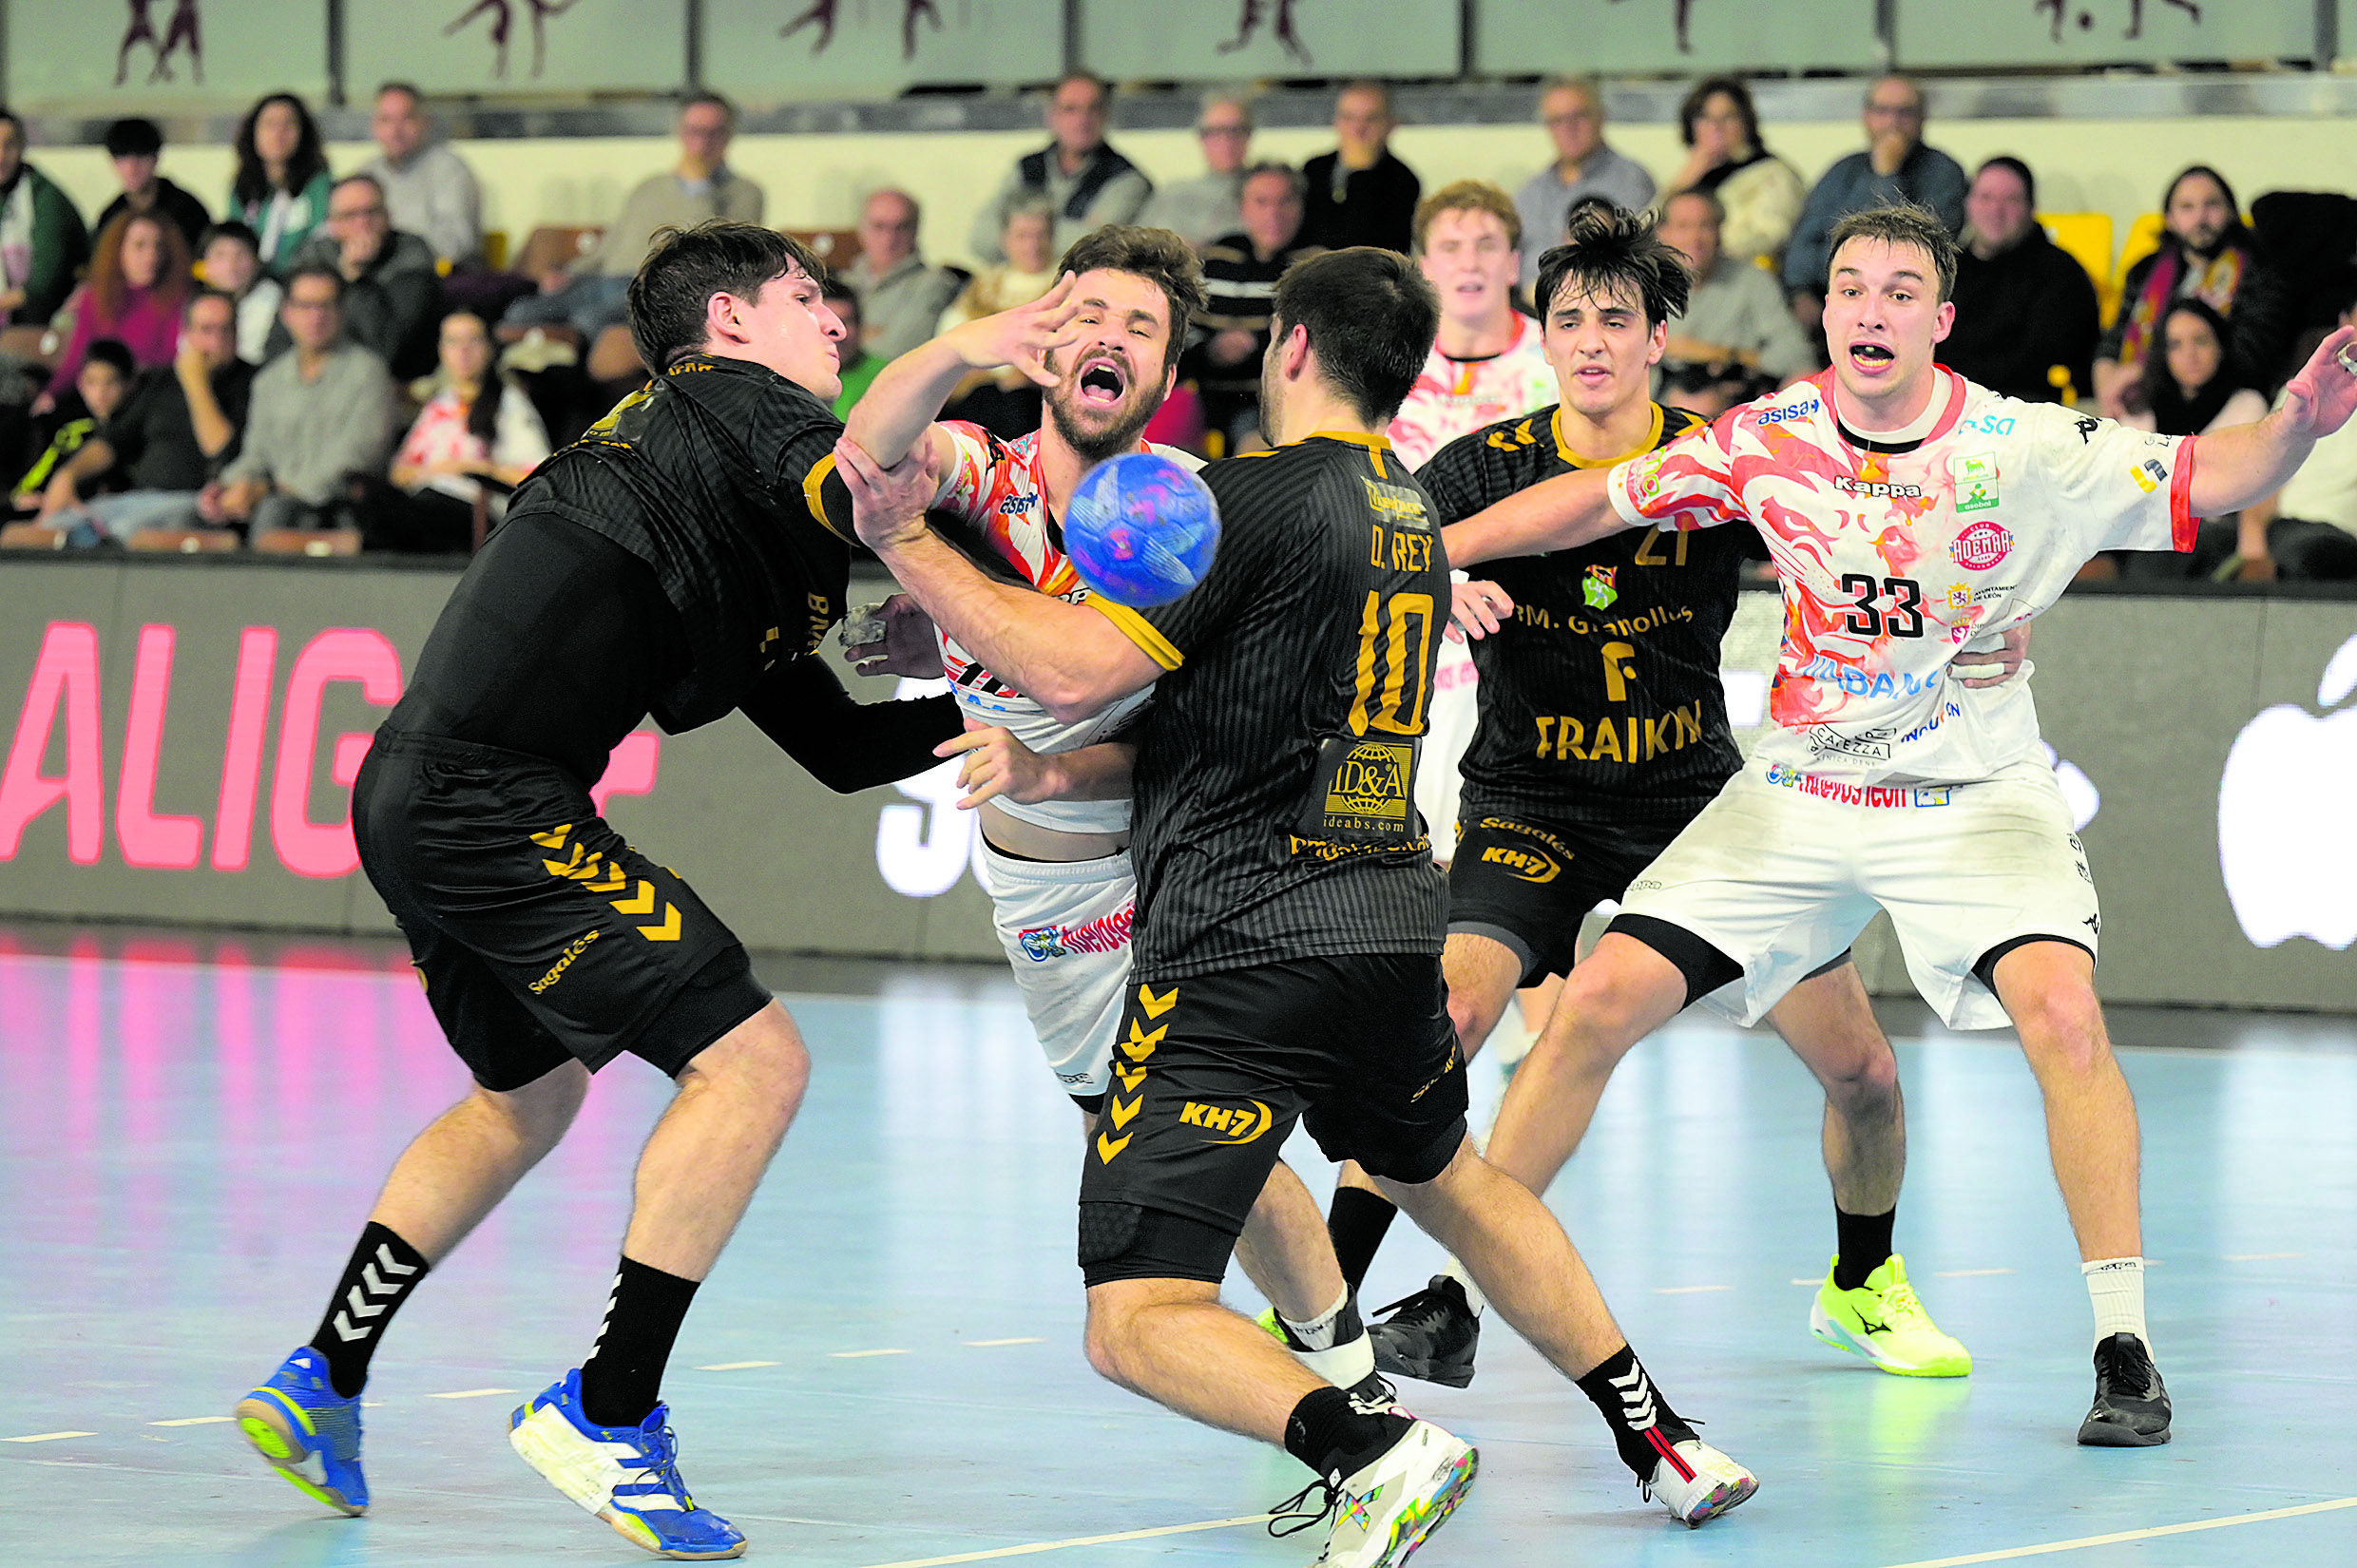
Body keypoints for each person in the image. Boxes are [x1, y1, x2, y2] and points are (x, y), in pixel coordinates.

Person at [840, 246, 1760, 1559]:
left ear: (1285, 350)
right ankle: (1660, 1436)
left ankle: (1371, 1446)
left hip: (1237, 937)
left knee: (1134, 1316)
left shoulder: (1243, 497)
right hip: (1390, 913)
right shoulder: (1404, 502)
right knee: (1449, 1174)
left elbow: (1065, 663)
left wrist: (904, 546)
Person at [1435, 200, 2357, 1447]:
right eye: (1851, 287)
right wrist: (1436, 547)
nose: (1870, 308)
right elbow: (1592, 502)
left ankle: (2124, 1346)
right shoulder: (1768, 437)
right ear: (1830, 311)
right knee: (1597, 999)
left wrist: (2299, 417)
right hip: (1801, 792)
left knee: (2066, 1014)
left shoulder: (2024, 444)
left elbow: (2214, 471)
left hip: (1974, 798)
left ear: (1941, 319)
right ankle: (1452, 1295)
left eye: (1898, 290)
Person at [233, 221, 966, 1558]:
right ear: (731, 323)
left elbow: (851, 749)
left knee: (530, 1096)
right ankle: (608, 1408)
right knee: (756, 1065)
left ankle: (323, 1374)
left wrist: (1008, 701)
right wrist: (983, 382)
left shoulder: (714, 497)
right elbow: (870, 481)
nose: (839, 322)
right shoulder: (720, 402)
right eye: (810, 299)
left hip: (413, 794)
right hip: (485, 796)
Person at [1340, 204, 1983, 1397]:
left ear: (1655, 339)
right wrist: (1442, 582)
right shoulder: (1482, 467)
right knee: (1445, 1023)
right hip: (1528, 800)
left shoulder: (1719, 460)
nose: (1590, 341)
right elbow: (1368, 554)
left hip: (1695, 808)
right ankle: (1343, 1297)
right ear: (1543, 337)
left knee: (1866, 1077)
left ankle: (1862, 1285)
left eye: (1615, 320)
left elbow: (1868, 533)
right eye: (1569, 320)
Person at [843, 226, 1399, 1410]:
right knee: (1212, 1153)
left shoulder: (1190, 511)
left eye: (1141, 329)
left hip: (1176, 869)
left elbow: (1195, 732)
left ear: (1164, 379)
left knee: (1206, 1138)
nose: (1109, 339)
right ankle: (1351, 1381)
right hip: (1041, 897)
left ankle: (1349, 1397)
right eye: (1084, 314)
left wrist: (1049, 773)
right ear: (1046, 346)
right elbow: (872, 446)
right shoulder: (981, 475)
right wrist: (965, 341)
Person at [505, 94, 764, 344]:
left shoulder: (744, 192)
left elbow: (717, 255)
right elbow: (608, 248)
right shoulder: (649, 187)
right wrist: (570, 273)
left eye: (712, 133)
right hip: (601, 281)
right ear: (679, 133)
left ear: (728, 136)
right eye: (693, 131)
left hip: (654, 290)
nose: (702, 142)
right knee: (521, 313)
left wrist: (698, 186)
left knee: (589, 321)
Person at [29, 290, 253, 545]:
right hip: (135, 499)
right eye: (207, 330)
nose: (217, 342)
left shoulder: (251, 383)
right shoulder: (162, 382)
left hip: (198, 502)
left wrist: (195, 382)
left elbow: (222, 450)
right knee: (51, 531)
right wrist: (68, 475)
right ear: (187, 333)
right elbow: (112, 441)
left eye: (226, 331)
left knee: (120, 535)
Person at [201, 264, 396, 537]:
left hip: (335, 507)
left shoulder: (369, 373)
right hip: (268, 498)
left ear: (341, 310)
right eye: (305, 306)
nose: (316, 317)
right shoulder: (269, 380)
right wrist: (226, 486)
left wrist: (271, 489)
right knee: (197, 515)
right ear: (286, 312)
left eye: (325, 305)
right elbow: (256, 454)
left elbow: (358, 456)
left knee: (274, 514)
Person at [2094, 166, 2291, 419]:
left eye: (2212, 205)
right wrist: (2108, 384)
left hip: (2230, 405)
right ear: (2169, 218)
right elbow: (2114, 341)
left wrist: (2147, 369)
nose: (2200, 218)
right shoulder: (2145, 271)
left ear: (2231, 212)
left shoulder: (2261, 271)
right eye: (2187, 207)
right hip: (2148, 401)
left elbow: (2251, 356)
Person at [1389, 181, 1555, 473]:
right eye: (1450, 248)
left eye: (1487, 246)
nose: (1469, 263)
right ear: (1424, 268)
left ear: (1513, 264)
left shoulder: (1561, 357)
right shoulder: (1388, 364)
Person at [366, 310, 552, 551]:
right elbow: (399, 472)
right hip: (427, 499)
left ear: (489, 348)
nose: (463, 351)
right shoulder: (440, 405)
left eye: (473, 341)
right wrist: (438, 469)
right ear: (441, 351)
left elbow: (541, 477)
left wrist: (479, 468)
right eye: (453, 342)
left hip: (476, 510)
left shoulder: (510, 404)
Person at [1782, 77, 1966, 302]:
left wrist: (1886, 174)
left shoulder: (1944, 173)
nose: (1892, 122)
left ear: (1922, 118)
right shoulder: (1843, 169)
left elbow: (1906, 253)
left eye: (1904, 112)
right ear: (1866, 117)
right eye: (1882, 111)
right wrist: (1802, 292)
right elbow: (1802, 245)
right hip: (1827, 296)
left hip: (1902, 300)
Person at [1942, 157, 2099, 405]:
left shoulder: (2061, 275)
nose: (1996, 210)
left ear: (2031, 207)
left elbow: (2037, 361)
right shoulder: (1948, 268)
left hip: (2028, 411)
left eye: (2011, 200)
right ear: (1968, 204)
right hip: (1948, 401)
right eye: (1985, 198)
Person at [1186, 164, 1320, 450]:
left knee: (1255, 449)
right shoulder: (1213, 259)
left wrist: (1253, 346)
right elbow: (1182, 328)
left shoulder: (1315, 266)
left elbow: (1316, 342)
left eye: (1285, 201)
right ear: (1242, 208)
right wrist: (1209, 351)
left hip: (1267, 404)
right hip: (1196, 395)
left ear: (1301, 207)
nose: (1273, 214)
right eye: (1261, 202)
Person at [2227, 291, 2357, 581]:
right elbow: (2264, 476)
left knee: (2312, 554)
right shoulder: (2303, 391)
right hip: (2287, 530)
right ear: (2344, 324)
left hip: (2338, 541)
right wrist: (2253, 552)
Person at [266, 175, 442, 380]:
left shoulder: (411, 256)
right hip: (312, 380)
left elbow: (386, 349)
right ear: (332, 224)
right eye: (350, 215)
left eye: (371, 212)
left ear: (388, 216)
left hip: (392, 385)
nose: (363, 223)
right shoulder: (312, 257)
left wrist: (356, 277)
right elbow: (278, 343)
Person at [1656, 188, 1817, 408]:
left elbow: (1796, 353)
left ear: (1720, 232)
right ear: (1662, 233)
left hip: (1744, 401)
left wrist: (1723, 355)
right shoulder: (1642, 285)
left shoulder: (1753, 281)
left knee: (1807, 384)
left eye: (1706, 226)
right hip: (1661, 404)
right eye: (1684, 226)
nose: (1695, 238)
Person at [968, 72, 1151, 265]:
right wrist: (1068, 232)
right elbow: (980, 237)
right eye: (1070, 109)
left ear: (1106, 116)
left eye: (1093, 109)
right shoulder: (1026, 168)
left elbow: (1095, 248)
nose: (1082, 120)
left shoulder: (1127, 180)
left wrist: (1020, 232)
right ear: (1052, 116)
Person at [1512, 77, 1656, 293]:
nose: (1568, 128)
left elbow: (1637, 262)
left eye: (1578, 116)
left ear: (1601, 117)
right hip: (1531, 311)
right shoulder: (1531, 192)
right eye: (1557, 120)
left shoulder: (1631, 181)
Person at [937, 198, 1060, 439]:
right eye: (1023, 236)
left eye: (1040, 235)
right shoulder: (984, 285)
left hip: (1032, 396)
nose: (1032, 245)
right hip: (976, 390)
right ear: (1005, 239)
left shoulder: (1065, 284)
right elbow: (950, 338)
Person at [1658, 77, 1805, 271]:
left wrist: (1703, 247)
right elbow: (1641, 237)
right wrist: (1678, 186)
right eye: (1705, 118)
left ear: (1746, 123)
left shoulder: (1774, 174)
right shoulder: (1689, 176)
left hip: (1740, 277)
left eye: (1727, 117)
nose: (1716, 127)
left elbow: (1771, 235)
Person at [45, 211, 193, 396]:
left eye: (159, 247)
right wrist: (51, 394)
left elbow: (171, 360)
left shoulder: (178, 298)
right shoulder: (95, 297)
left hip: (150, 396)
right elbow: (77, 357)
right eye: (140, 246)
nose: (151, 256)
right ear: (118, 250)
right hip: (97, 394)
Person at [359, 82, 485, 270]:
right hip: (379, 274)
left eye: (406, 118)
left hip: (441, 278)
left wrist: (390, 251)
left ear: (425, 122)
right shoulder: (367, 174)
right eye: (386, 120)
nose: (395, 131)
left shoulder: (449, 170)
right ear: (374, 126)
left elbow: (456, 244)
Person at [9, 341, 132, 515]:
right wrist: (23, 496)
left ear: (129, 384)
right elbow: (35, 478)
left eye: (110, 383)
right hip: (54, 512)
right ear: (80, 384)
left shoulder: (138, 435)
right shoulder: (73, 431)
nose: (100, 393)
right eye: (92, 382)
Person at [843, 189, 961, 364]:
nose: (889, 239)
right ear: (861, 229)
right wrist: (867, 333)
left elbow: (896, 352)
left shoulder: (934, 284)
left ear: (916, 231)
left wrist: (847, 338)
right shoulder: (843, 282)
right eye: (879, 226)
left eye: (901, 228)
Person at [1301, 83, 1420, 257]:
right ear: (1336, 122)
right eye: (1349, 118)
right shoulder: (1313, 170)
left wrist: (1362, 173)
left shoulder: (1403, 181)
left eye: (1371, 119)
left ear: (1391, 125)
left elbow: (1373, 245)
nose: (1358, 129)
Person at [0, 109, 92, 327]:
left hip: (49, 317)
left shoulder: (46, 199)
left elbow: (43, 285)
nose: (1, 155)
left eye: (9, 145)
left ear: (22, 147)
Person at [229, 93, 334, 275]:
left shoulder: (320, 186)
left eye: (288, 124)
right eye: (269, 125)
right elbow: (234, 241)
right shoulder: (242, 187)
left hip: (303, 283)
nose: (278, 134)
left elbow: (321, 241)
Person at [1138, 90, 1255, 250]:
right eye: (1216, 132)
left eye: (1235, 131)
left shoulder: (1264, 195)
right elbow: (1137, 243)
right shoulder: (1173, 193)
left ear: (1249, 135)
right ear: (1201, 137)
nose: (1226, 141)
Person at [94, 117, 212, 253]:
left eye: (141, 158)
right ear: (112, 162)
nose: (131, 169)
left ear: (156, 158)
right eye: (122, 159)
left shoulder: (188, 211)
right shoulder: (111, 217)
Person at [199, 221, 282, 365]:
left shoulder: (275, 302)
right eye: (220, 255)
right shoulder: (196, 303)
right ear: (205, 265)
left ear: (257, 263)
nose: (231, 265)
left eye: (241, 254)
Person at [820, 282, 881, 417]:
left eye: (845, 322)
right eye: (828, 323)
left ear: (860, 326)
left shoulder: (886, 376)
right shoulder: (788, 377)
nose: (837, 333)